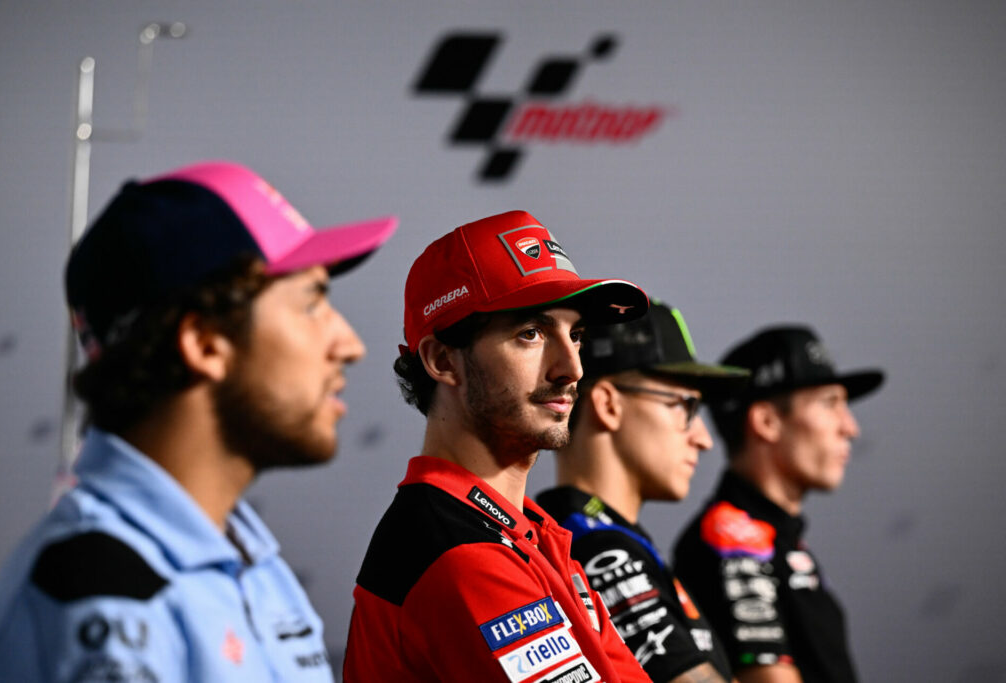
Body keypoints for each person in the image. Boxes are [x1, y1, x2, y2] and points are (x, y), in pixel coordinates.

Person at [0, 161, 397, 682]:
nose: (350, 345)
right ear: (204, 344)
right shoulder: (104, 584)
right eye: (312, 302)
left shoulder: (250, 558)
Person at [344, 210, 654, 682]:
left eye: (576, 336)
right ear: (442, 359)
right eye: (530, 334)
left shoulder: (532, 529)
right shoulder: (459, 552)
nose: (571, 369)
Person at [536, 299, 748, 682]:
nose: (703, 439)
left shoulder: (599, 538)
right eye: (686, 406)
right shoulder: (596, 548)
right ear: (609, 405)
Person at [672, 325, 884, 683]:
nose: (850, 427)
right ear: (767, 421)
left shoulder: (774, 535)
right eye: (830, 403)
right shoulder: (731, 536)